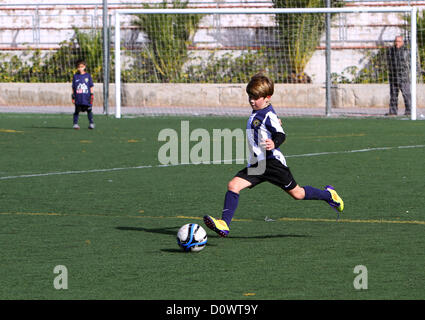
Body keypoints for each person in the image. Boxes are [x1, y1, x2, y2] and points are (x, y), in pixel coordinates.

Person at [203, 73, 344, 238]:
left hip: (272, 164)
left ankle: (329, 195)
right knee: (233, 185)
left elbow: (280, 134)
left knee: (298, 194)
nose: (251, 100)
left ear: (267, 97)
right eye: (250, 96)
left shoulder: (268, 115)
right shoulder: (261, 110)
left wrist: (274, 143)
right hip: (258, 164)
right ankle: (224, 224)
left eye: (256, 97)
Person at [386, 36, 411, 116]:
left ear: (402, 42)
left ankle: (409, 111)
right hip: (393, 76)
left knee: (406, 95)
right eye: (396, 41)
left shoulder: (406, 51)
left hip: (403, 77)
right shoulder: (391, 51)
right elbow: (389, 62)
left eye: (399, 41)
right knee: (393, 95)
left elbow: (409, 64)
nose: (397, 43)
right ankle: (393, 111)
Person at [72, 60, 95, 129]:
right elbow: (73, 87)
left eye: (82, 67)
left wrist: (91, 94)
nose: (80, 68)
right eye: (79, 67)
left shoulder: (88, 76)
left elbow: (91, 86)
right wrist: (73, 96)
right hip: (78, 97)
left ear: (84, 67)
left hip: (86, 97)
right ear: (77, 68)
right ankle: (75, 124)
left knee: (89, 110)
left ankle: (91, 123)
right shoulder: (75, 76)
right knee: (76, 111)